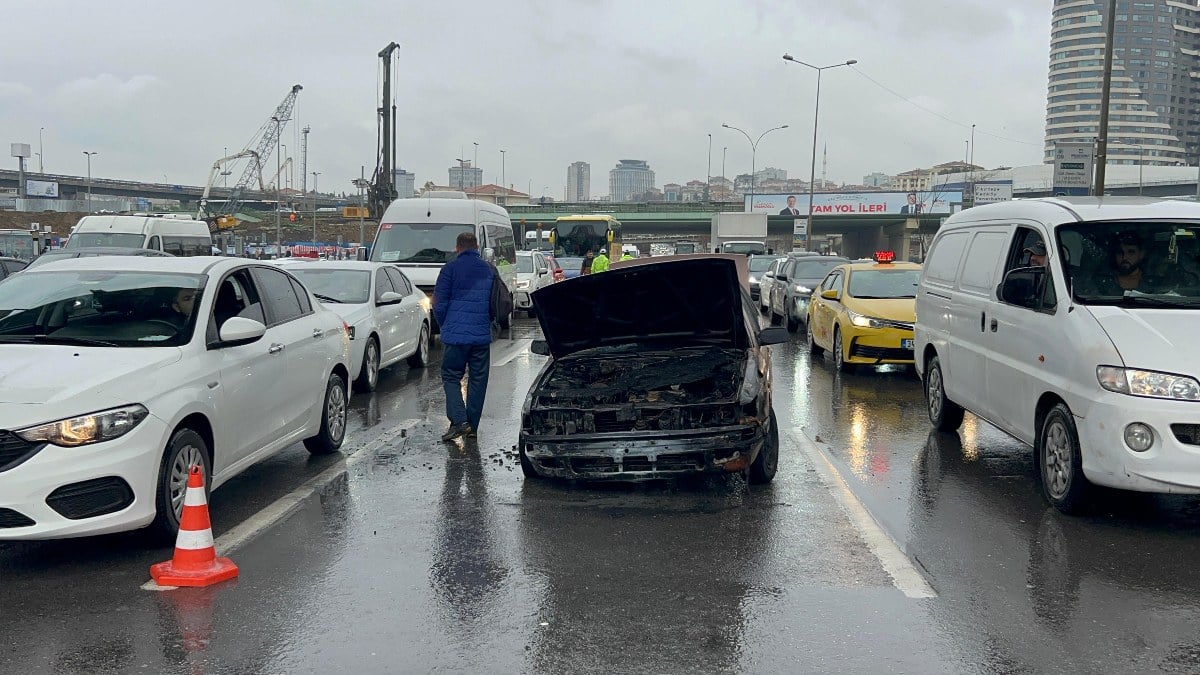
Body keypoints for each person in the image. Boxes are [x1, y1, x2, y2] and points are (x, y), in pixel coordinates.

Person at [433, 232, 493, 441]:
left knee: (450, 376)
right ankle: (472, 428)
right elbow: (496, 302)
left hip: (456, 338)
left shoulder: (449, 269)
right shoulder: (489, 269)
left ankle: (459, 421)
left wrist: (445, 326)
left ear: (457, 248)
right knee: (478, 380)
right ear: (477, 247)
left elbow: (438, 304)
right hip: (481, 337)